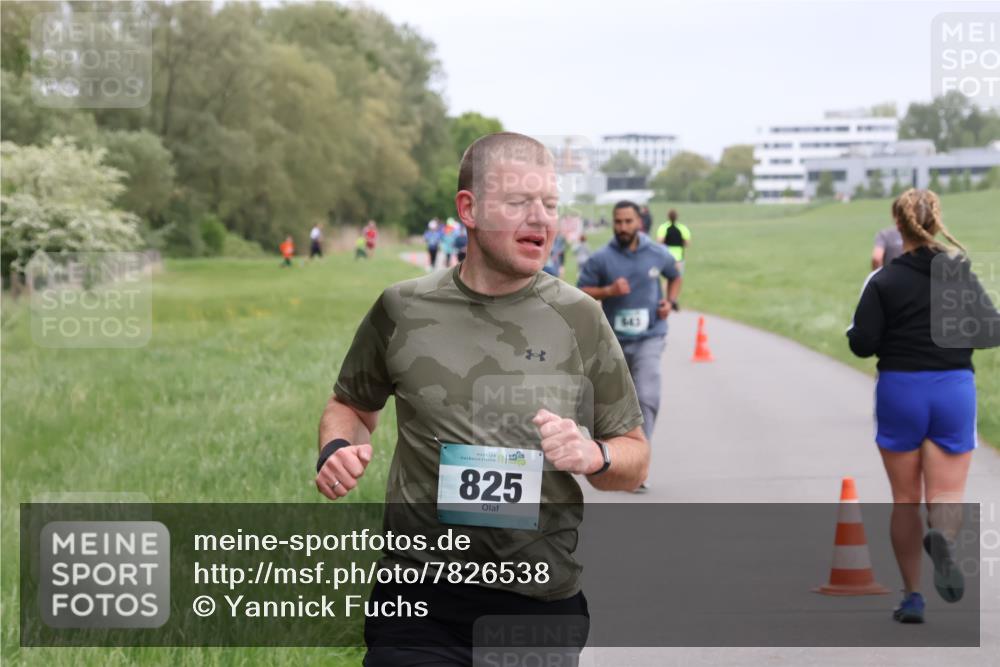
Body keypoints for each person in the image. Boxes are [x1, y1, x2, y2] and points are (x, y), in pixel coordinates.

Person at [316, 132, 649, 666]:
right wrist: (336, 448)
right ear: (468, 209)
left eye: (550, 205)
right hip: (418, 595)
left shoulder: (580, 317)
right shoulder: (401, 309)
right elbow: (351, 406)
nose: (540, 219)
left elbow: (633, 456)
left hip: (536, 604)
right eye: (519, 202)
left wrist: (596, 456)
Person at [847, 188, 999, 624]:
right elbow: (992, 331)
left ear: (898, 226)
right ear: (936, 221)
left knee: (904, 499)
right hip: (952, 387)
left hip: (900, 390)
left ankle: (913, 596)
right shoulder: (959, 274)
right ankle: (944, 537)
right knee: (947, 495)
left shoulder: (884, 280)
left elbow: (862, 344)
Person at [577, 201, 683, 491]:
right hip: (613, 342)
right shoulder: (601, 259)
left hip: (650, 336)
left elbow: (675, 276)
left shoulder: (657, 253)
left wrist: (668, 302)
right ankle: (616, 459)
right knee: (614, 405)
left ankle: (638, 467)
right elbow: (582, 291)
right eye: (618, 222)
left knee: (648, 396)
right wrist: (608, 291)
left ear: (639, 222)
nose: (623, 227)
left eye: (628, 221)